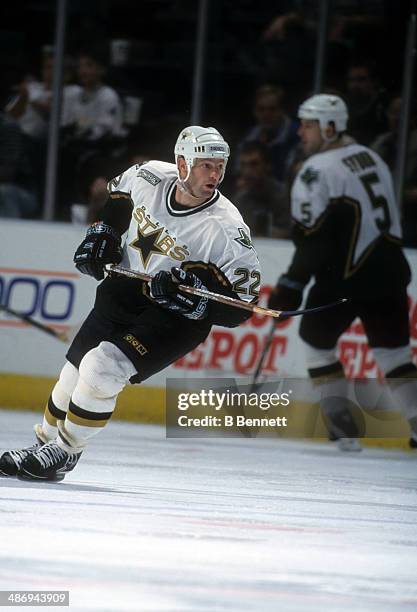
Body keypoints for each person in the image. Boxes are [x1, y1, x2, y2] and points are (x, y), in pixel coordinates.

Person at [0, 126, 261, 481]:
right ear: (181, 162)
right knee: (73, 371)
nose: (214, 174)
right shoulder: (148, 176)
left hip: (174, 318)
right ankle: (43, 443)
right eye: (205, 165)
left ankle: (65, 451)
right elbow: (118, 200)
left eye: (219, 166)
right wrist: (103, 232)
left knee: (102, 367)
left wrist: (194, 298)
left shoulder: (228, 231)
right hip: (123, 288)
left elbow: (241, 307)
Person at [267, 94, 417, 451]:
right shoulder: (371, 156)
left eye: (308, 125)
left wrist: (290, 286)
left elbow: (313, 241)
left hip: (346, 275)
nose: (301, 133)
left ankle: (343, 427)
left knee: (316, 343)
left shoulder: (317, 170)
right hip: (391, 270)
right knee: (394, 355)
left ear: (331, 127)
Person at [237, 85, 299, 183]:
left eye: (272, 109)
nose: (266, 115)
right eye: (261, 109)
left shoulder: (298, 136)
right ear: (255, 111)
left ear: (282, 110)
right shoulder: (249, 138)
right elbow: (238, 172)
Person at [233, 141, 290, 238]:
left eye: (254, 164)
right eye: (243, 165)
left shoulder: (283, 195)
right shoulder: (240, 198)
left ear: (267, 166)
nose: (247, 171)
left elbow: (287, 232)